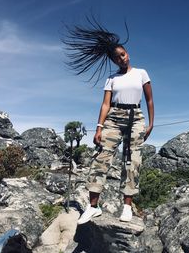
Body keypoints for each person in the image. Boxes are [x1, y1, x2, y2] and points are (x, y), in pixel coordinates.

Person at [63, 18, 154, 223]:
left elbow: (149, 99)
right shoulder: (111, 78)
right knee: (101, 158)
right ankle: (93, 206)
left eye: (123, 54)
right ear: (114, 61)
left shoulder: (141, 73)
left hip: (136, 118)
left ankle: (127, 207)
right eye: (117, 58)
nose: (121, 59)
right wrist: (99, 127)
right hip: (113, 118)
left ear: (127, 54)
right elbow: (105, 104)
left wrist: (151, 123)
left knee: (132, 161)